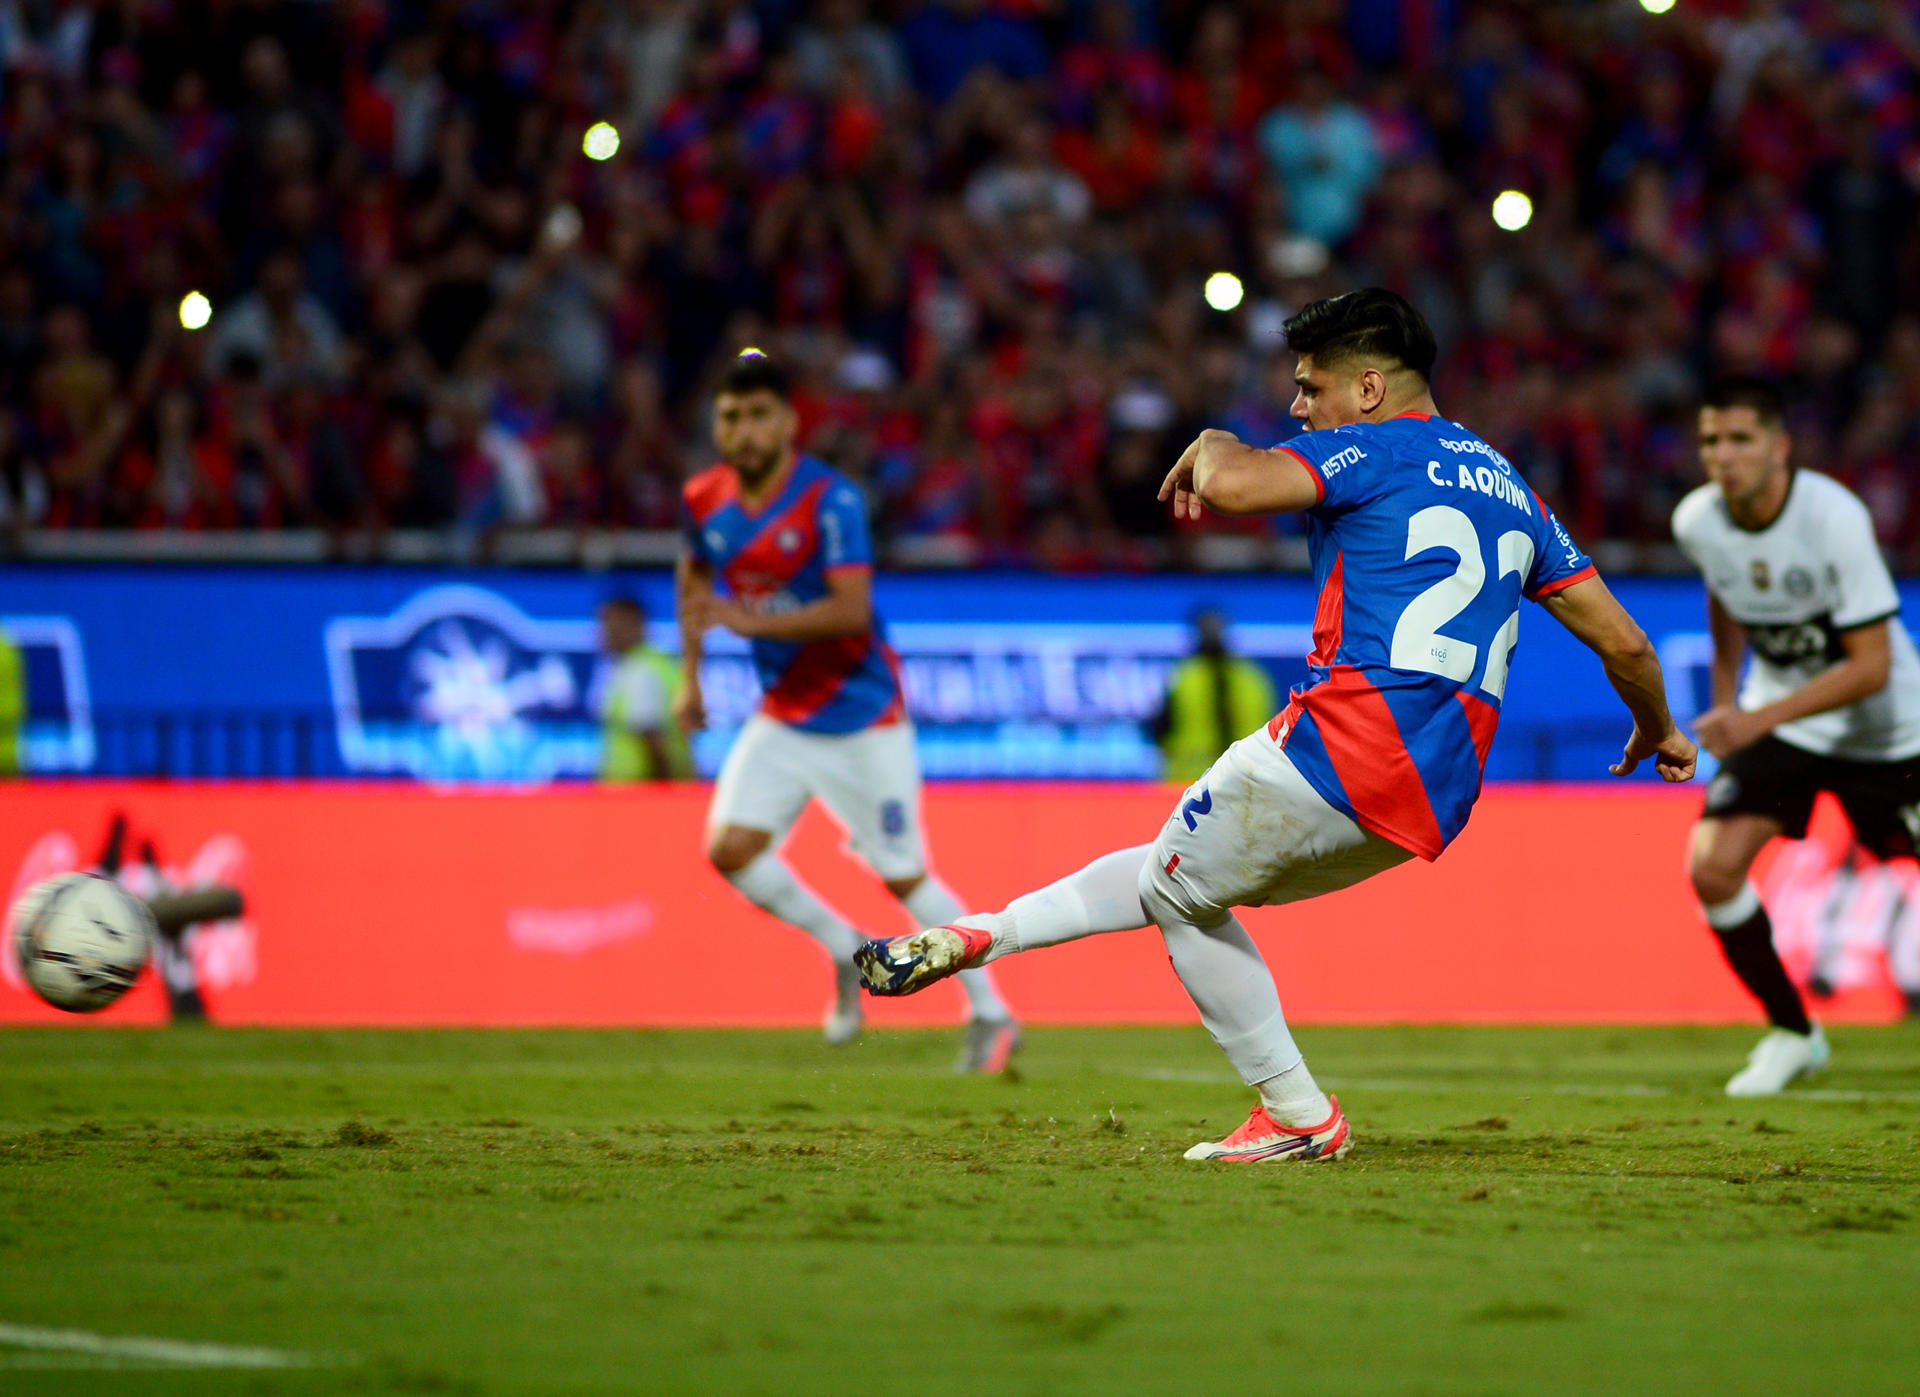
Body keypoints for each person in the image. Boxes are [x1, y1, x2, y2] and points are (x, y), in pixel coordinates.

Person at [857, 289, 1696, 1160]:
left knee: (1179, 887)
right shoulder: (1513, 487)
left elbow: (1232, 484)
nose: (1299, 408)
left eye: (1310, 387)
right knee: (1181, 874)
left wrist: (1211, 442)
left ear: (1368, 389)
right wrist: (1661, 729)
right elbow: (1629, 645)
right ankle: (978, 936)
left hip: (1348, 737)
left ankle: (1298, 1114)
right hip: (1436, 792)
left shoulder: (1368, 450)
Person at [676, 351, 1019, 1069]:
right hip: (784, 713)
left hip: (865, 716)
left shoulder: (829, 499)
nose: (743, 430)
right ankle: (849, 953)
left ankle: (992, 1012)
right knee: (729, 848)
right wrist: (692, 679)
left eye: (758, 414)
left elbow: (851, 608)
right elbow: (694, 578)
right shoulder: (703, 498)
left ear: (789, 422)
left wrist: (748, 622)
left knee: (903, 874)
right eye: (730, 417)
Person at [1673, 377, 1920, 1094]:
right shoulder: (1698, 520)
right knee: (1713, 865)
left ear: (1779, 447)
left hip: (1890, 734)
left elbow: (1871, 666)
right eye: (1711, 441)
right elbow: (1725, 593)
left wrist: (1753, 720)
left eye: (1741, 439)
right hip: (1787, 719)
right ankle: (1793, 1032)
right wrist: (1726, 700)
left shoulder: (1833, 516)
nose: (1724, 455)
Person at [1151, 609, 1278, 784]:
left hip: (1191, 781)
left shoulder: (1182, 676)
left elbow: (1158, 730)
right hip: (1242, 778)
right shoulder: (1252, 677)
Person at [596, 594, 691, 782]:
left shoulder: (640, 669)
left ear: (632, 626)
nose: (602, 634)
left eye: (609, 626)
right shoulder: (650, 663)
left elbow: (653, 739)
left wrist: (663, 794)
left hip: (637, 793)